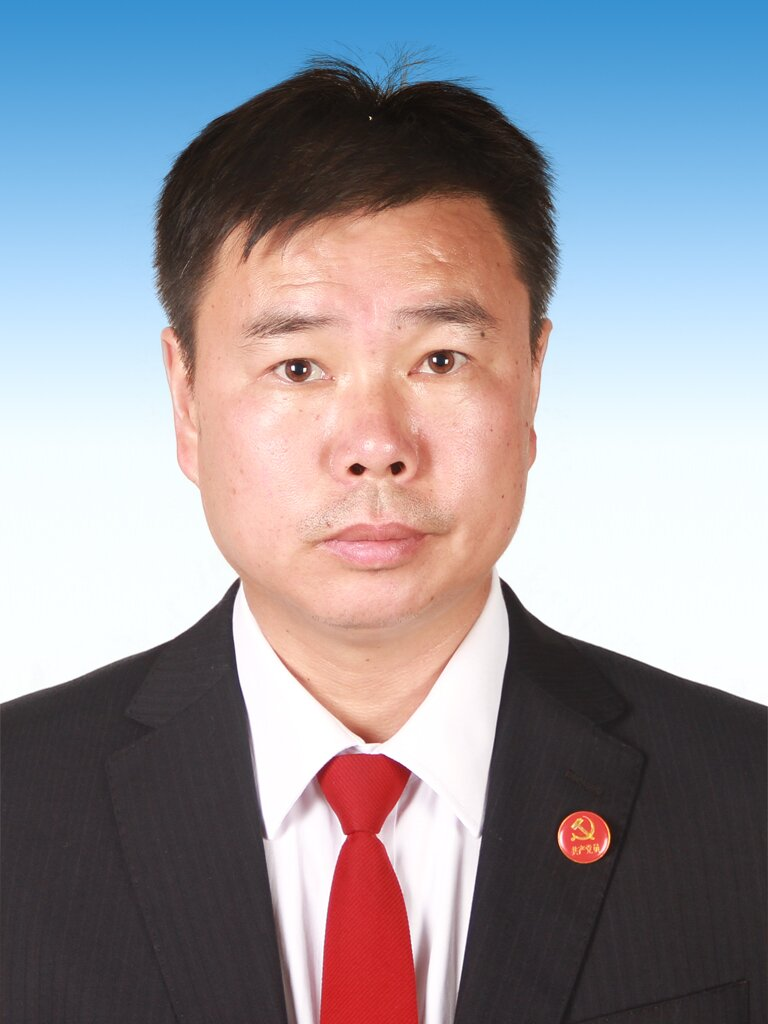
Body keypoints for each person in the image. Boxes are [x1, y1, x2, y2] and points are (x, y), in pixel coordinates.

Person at [2, 58, 764, 1024]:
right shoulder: (17, 805)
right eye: (298, 366)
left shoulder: (747, 800)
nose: (375, 445)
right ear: (186, 400)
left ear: (533, 380)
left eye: (440, 359)